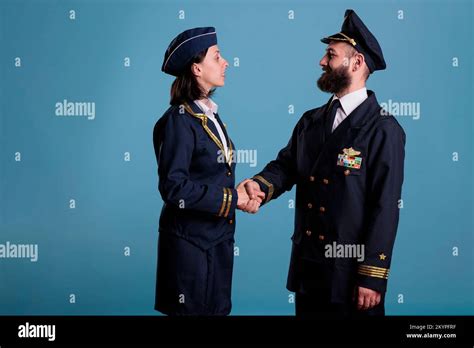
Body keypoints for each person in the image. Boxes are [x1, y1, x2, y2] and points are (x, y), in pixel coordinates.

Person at [241, 9, 406, 317]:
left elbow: (385, 206)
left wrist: (372, 275)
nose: (321, 62)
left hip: (351, 274)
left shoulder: (383, 128)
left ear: (356, 62)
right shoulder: (310, 120)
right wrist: (259, 187)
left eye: (330, 55)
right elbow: (287, 166)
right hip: (310, 268)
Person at [152, 27, 264, 316]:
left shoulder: (209, 115)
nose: (226, 62)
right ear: (197, 68)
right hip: (190, 247)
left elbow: (211, 176)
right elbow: (174, 187)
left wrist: (243, 195)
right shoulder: (179, 119)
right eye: (217, 57)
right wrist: (232, 199)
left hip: (217, 243)